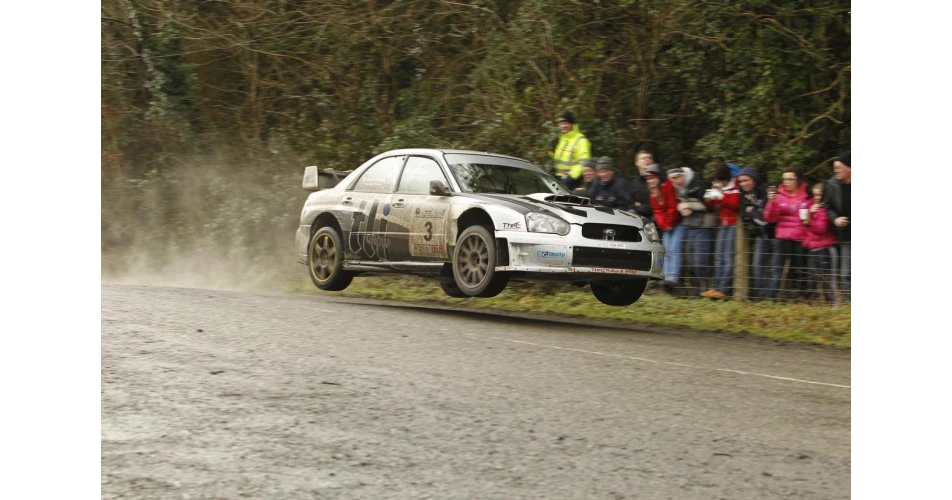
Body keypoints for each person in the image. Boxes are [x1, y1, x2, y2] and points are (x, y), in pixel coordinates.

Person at [668, 165, 716, 297]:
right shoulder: (678, 189)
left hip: (703, 226)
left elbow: (710, 204)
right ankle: (696, 293)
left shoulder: (700, 184)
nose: (676, 181)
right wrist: (682, 207)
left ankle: (706, 290)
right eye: (673, 179)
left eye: (677, 177)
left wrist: (689, 205)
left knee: (701, 260)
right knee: (691, 262)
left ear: (683, 175)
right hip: (689, 226)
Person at [763, 167, 810, 301]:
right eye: (784, 179)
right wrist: (771, 203)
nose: (787, 182)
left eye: (790, 179)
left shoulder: (807, 196)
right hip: (782, 238)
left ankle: (799, 298)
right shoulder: (778, 196)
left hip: (800, 238)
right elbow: (769, 218)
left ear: (798, 180)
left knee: (799, 270)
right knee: (776, 269)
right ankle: (771, 298)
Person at [700, 163, 741, 300]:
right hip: (722, 224)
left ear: (726, 179)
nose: (719, 183)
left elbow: (735, 204)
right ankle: (715, 287)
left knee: (728, 258)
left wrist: (722, 197)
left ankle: (724, 289)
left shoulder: (735, 187)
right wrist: (709, 198)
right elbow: (711, 205)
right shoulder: (718, 187)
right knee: (718, 257)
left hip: (733, 224)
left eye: (720, 181)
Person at [736, 167, 775, 301]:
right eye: (740, 181)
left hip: (774, 234)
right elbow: (743, 216)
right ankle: (760, 298)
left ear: (753, 179)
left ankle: (772, 299)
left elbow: (766, 218)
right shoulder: (742, 194)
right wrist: (756, 212)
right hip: (760, 235)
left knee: (773, 267)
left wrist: (752, 212)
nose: (743, 184)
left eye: (746, 180)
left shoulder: (765, 190)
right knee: (757, 265)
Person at [822, 151, 855, 304]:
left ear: (850, 168)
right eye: (834, 168)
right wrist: (835, 219)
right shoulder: (832, 185)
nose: (835, 171)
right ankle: (851, 305)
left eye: (839, 168)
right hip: (846, 237)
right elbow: (827, 206)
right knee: (847, 273)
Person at [644, 164, 682, 292]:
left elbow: (672, 206)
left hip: (677, 222)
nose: (650, 181)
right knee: (665, 250)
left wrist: (670, 223)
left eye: (652, 178)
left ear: (659, 177)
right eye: (648, 179)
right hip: (667, 225)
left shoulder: (668, 186)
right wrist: (664, 225)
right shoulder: (652, 193)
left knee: (674, 249)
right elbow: (658, 210)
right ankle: (665, 276)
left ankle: (673, 277)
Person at [802, 182, 839, 305]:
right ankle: (818, 306)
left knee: (827, 280)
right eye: (815, 195)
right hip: (812, 248)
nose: (816, 197)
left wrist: (809, 219)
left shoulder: (826, 209)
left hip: (825, 248)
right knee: (812, 280)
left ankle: (833, 306)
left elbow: (821, 229)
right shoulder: (812, 207)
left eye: (819, 195)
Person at [550, 111, 592, 191]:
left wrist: (571, 176)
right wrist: (551, 150)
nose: (564, 126)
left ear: (572, 125)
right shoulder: (561, 139)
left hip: (572, 181)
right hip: (558, 178)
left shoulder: (581, 140)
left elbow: (584, 162)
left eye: (566, 123)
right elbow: (558, 159)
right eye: (562, 123)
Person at [630, 150, 660, 219]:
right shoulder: (633, 183)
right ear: (636, 163)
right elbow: (631, 203)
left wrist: (641, 207)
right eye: (644, 158)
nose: (647, 160)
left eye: (650, 158)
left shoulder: (660, 179)